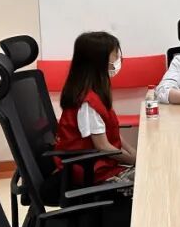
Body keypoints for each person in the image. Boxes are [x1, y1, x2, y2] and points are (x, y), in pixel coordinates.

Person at [54, 31, 136, 185]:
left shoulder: (95, 94)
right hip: (93, 173)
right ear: (99, 62)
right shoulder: (87, 103)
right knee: (152, 180)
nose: (118, 59)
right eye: (115, 55)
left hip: (103, 166)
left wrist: (134, 154)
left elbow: (112, 133)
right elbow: (103, 147)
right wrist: (134, 160)